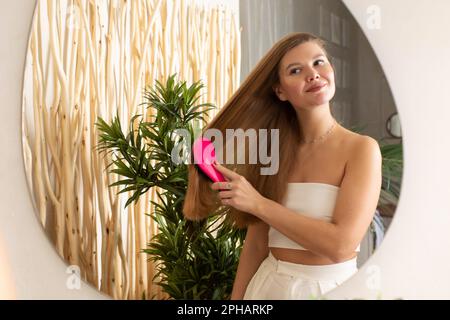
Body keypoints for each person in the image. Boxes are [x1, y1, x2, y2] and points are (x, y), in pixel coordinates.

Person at [183, 32, 382, 300]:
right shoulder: (272, 151)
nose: (312, 74)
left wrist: (259, 204)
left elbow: (341, 246)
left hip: (330, 290)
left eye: (319, 62)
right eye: (296, 70)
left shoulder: (362, 150)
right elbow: (256, 244)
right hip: (268, 287)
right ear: (280, 91)